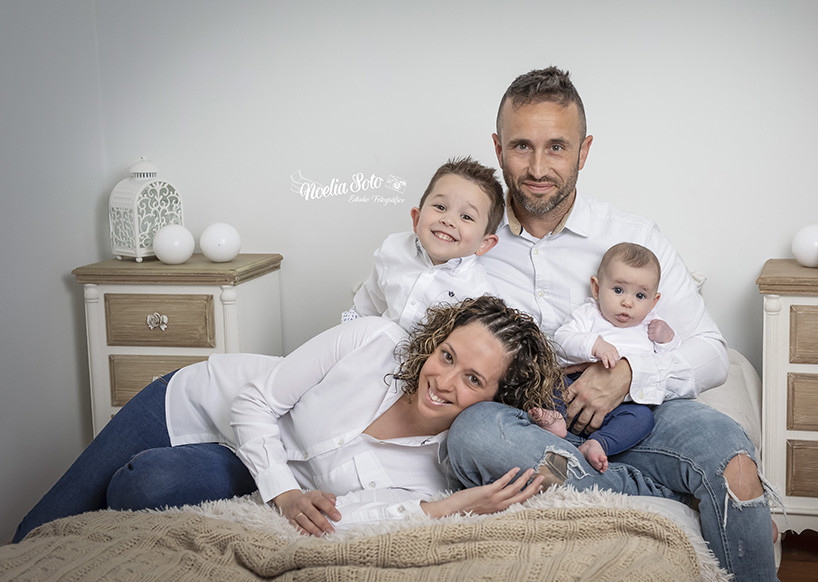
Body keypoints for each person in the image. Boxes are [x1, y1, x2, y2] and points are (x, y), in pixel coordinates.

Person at [445, 67, 785, 582]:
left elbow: (710, 351)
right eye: (521, 146)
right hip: (531, 423)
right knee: (473, 437)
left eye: (557, 147)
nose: (538, 167)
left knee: (730, 454)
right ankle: (662, 492)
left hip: (640, 414)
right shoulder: (467, 234)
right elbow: (397, 312)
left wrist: (628, 373)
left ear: (584, 151)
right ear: (498, 148)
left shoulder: (634, 238)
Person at [13, 296, 561, 542]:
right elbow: (254, 403)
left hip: (243, 465)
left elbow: (352, 520)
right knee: (33, 531)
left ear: (496, 399)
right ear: (436, 342)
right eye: (447, 356)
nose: (443, 380)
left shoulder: (434, 473)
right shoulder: (373, 340)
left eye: (473, 379)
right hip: (195, 404)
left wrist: (451, 507)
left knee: (144, 486)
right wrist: (285, 493)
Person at [530, 242, 677, 473]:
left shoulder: (651, 326)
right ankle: (555, 418)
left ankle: (598, 444)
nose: (627, 302)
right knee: (547, 383)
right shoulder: (589, 314)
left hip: (623, 404)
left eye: (640, 295)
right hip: (575, 385)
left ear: (653, 302)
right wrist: (595, 344)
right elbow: (562, 339)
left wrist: (668, 339)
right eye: (618, 290)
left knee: (643, 419)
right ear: (597, 288)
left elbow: (670, 365)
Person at [345, 156, 503, 330]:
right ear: (416, 218)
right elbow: (366, 307)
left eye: (466, 216)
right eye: (440, 207)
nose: (448, 220)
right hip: (373, 341)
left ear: (484, 244)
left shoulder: (479, 295)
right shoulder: (393, 250)